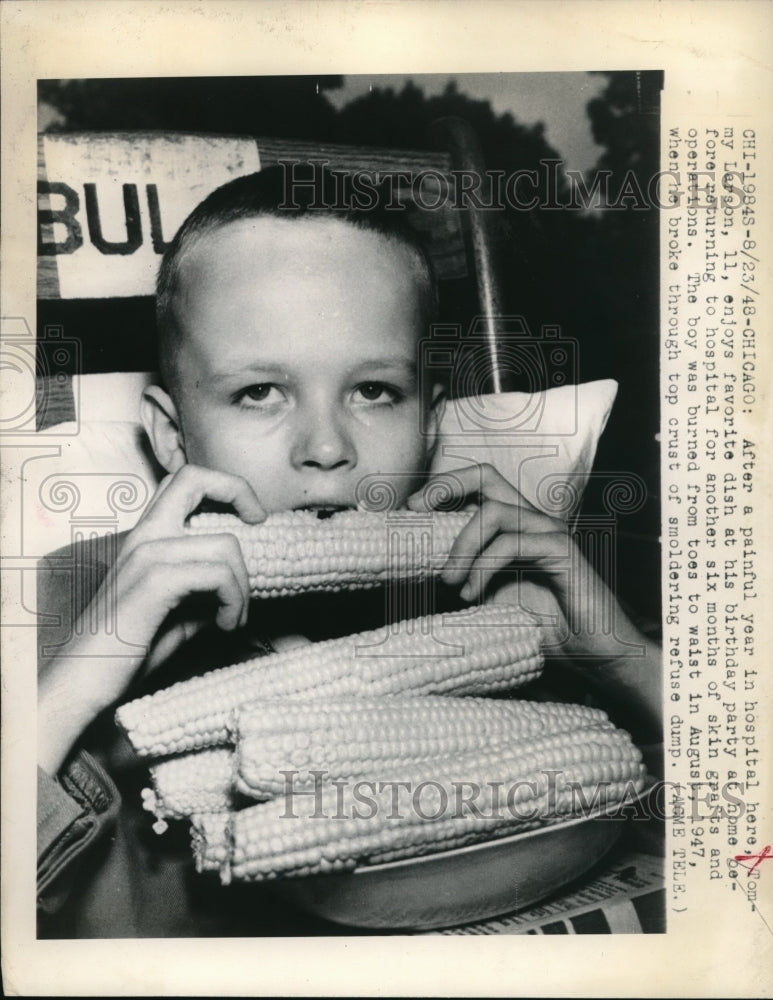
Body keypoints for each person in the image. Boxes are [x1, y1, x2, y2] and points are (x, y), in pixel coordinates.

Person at [37, 165, 661, 938]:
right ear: (170, 436)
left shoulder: (499, 601)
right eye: (259, 392)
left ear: (429, 425)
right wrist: (64, 702)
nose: (327, 448)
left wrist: (628, 664)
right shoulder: (67, 608)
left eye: (374, 391)